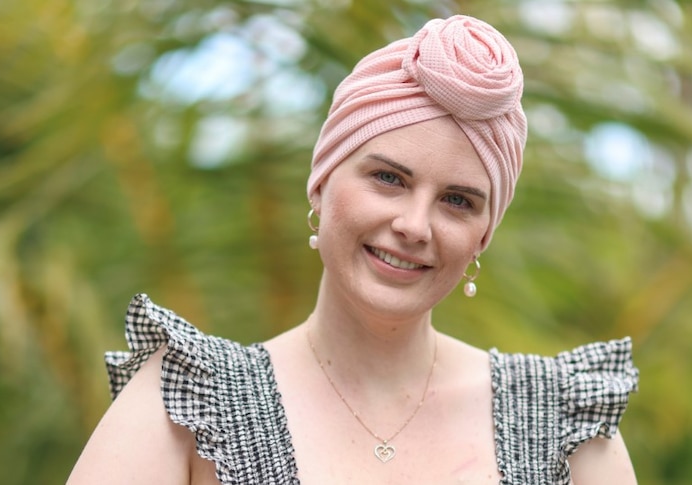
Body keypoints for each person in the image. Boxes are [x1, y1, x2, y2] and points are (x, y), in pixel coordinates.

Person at [67, 14, 638, 485]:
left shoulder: (565, 428)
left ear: (483, 235)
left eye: (458, 201)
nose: (415, 225)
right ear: (321, 182)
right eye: (389, 178)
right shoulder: (184, 402)